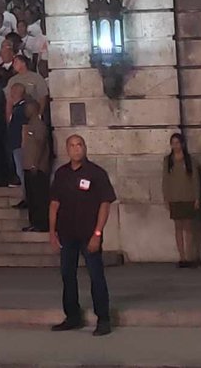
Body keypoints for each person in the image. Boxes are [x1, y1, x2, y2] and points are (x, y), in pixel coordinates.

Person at [49, 135, 116, 337]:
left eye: (80, 145)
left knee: (96, 276)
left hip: (89, 233)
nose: (76, 149)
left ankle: (103, 319)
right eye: (72, 145)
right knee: (67, 275)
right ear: (67, 149)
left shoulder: (96, 173)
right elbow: (54, 203)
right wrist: (52, 232)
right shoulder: (61, 174)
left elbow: (105, 203)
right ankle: (72, 316)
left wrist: (98, 232)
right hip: (67, 233)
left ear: (85, 148)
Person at [162, 132, 201, 267]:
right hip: (174, 197)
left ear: (183, 144)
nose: (175, 146)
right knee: (178, 227)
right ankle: (182, 257)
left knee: (189, 227)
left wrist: (197, 197)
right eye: (173, 143)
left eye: (178, 143)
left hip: (188, 196)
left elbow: (195, 180)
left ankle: (190, 256)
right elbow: (165, 180)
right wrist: (166, 198)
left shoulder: (190, 160)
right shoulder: (168, 161)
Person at [21, 101, 50, 233]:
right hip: (28, 166)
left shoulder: (38, 125)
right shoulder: (30, 125)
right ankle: (34, 223)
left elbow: (41, 144)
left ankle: (42, 223)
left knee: (39, 198)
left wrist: (35, 163)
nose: (26, 111)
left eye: (27, 108)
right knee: (31, 198)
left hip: (37, 168)